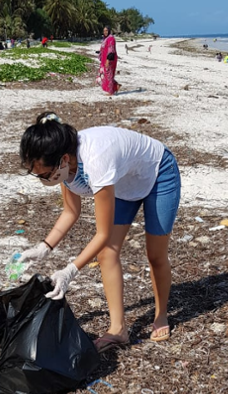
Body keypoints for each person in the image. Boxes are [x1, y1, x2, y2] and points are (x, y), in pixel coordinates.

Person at [16, 112, 181, 352]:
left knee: (155, 254)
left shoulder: (96, 160)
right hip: (124, 183)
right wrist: (44, 246)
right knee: (107, 255)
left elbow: (102, 234)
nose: (42, 179)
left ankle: (161, 315)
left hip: (158, 174)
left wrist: (70, 271)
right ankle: (118, 330)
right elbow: (71, 213)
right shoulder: (64, 163)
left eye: (43, 173)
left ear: (63, 159)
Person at [97, 26, 121, 95]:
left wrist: (108, 60)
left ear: (109, 31)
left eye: (106, 30)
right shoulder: (105, 39)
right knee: (102, 76)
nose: (105, 32)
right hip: (104, 60)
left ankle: (111, 92)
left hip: (110, 60)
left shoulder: (111, 38)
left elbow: (111, 50)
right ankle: (116, 86)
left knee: (109, 75)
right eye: (104, 31)